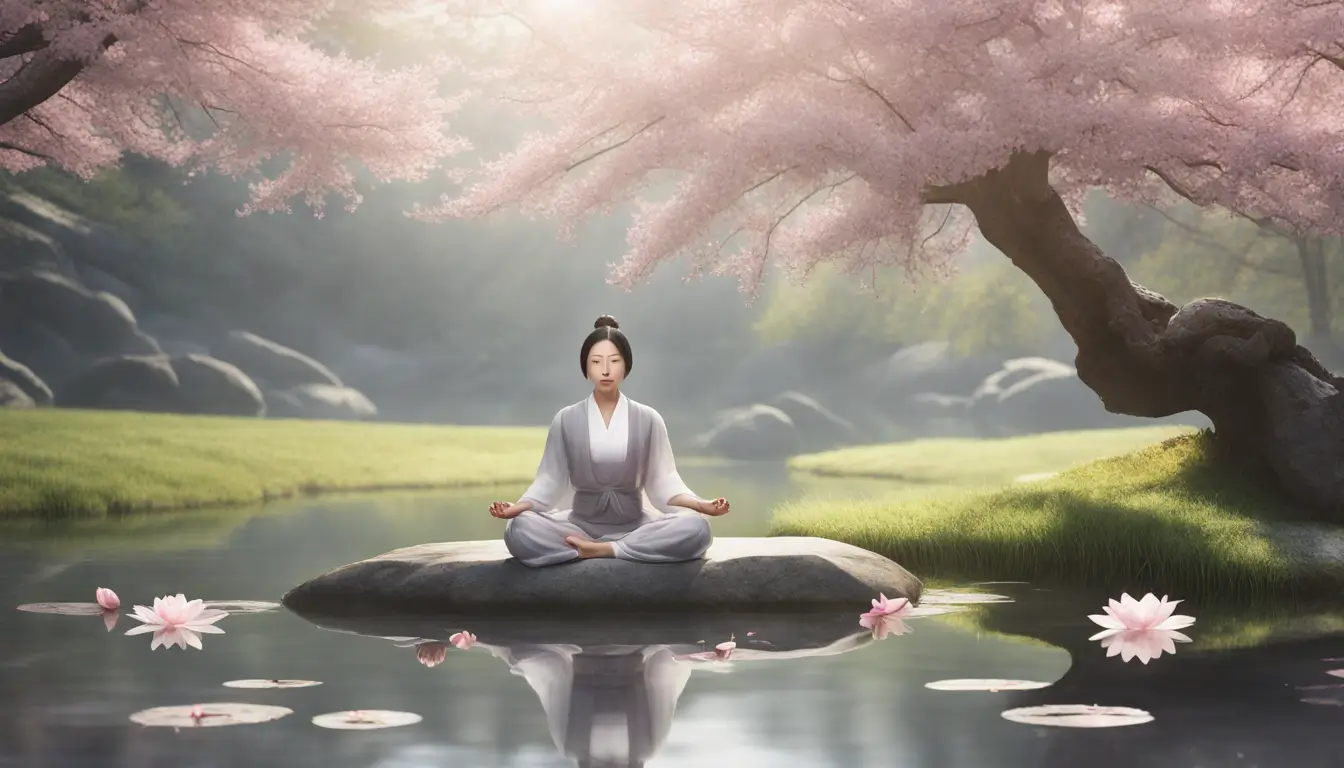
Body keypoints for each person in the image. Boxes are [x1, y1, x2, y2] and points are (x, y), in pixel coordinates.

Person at [488, 315, 730, 567]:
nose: (605, 370)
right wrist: (516, 508)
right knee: (520, 529)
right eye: (596, 362)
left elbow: (664, 481)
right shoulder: (566, 419)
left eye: (614, 361)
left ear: (626, 366)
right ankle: (600, 547)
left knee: (696, 527)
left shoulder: (648, 418)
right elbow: (549, 480)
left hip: (635, 525)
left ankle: (606, 549)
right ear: (585, 367)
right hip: (577, 525)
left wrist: (702, 505)